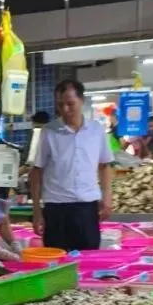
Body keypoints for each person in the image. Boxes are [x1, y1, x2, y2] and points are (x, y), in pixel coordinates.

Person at [29, 78, 112, 250]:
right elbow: (36, 172)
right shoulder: (48, 132)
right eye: (60, 105)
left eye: (70, 104)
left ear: (81, 101)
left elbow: (104, 165)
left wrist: (107, 197)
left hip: (87, 206)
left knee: (88, 258)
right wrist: (37, 211)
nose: (65, 110)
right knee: (57, 261)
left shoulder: (96, 131)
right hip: (56, 208)